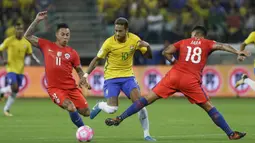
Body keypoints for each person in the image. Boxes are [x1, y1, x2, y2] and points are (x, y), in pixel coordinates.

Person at [104, 26, 248, 140]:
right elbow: (223, 46)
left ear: (193, 34)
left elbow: (166, 52)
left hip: (174, 75)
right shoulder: (208, 43)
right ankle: (230, 134)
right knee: (209, 107)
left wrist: (175, 62)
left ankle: (120, 117)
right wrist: (237, 53)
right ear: (202, 36)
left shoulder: (184, 42)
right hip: (191, 80)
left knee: (146, 99)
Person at [84, 17, 156, 141]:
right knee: (112, 109)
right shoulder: (108, 43)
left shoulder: (134, 40)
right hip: (111, 78)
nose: (117, 33)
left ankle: (146, 134)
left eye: (120, 31)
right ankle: (100, 105)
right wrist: (85, 76)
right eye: (116, 30)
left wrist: (147, 46)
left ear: (126, 30)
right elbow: (96, 60)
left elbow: (149, 56)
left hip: (128, 77)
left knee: (140, 105)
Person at [24, 11, 90, 128]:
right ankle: (83, 130)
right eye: (62, 34)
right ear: (56, 34)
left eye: (67, 35)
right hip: (55, 89)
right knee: (70, 106)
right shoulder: (46, 45)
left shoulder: (72, 53)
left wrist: (83, 79)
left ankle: (97, 109)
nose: (65, 37)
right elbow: (27, 36)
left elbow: (79, 70)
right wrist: (37, 20)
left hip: (71, 88)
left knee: (86, 112)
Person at [0, 22, 40, 116]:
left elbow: (29, 54)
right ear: (15, 30)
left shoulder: (26, 42)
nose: (19, 31)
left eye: (21, 29)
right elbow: (0, 49)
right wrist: (3, 60)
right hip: (10, 68)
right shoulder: (9, 40)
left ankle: (6, 108)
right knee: (14, 86)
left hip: (21, 69)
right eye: (17, 29)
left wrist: (35, 60)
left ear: (23, 30)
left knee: (16, 90)